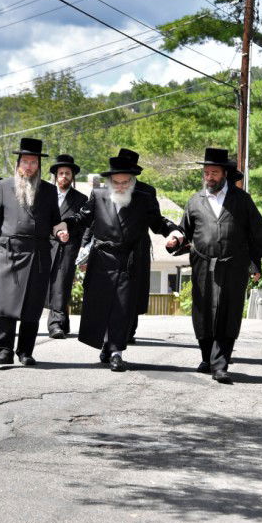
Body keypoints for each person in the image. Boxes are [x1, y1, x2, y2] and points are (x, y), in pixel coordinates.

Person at [61, 153, 181, 371]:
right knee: (101, 306)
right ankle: (105, 344)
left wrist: (173, 232)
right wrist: (63, 226)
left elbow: (158, 222)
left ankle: (116, 352)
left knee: (122, 307)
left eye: (125, 182)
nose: (121, 186)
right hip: (102, 259)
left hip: (129, 260)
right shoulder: (98, 195)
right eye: (116, 182)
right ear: (109, 181)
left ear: (133, 181)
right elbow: (81, 218)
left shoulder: (143, 198)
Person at [173, 148, 262, 384]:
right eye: (206, 172)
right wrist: (175, 240)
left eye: (214, 172)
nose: (209, 177)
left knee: (228, 313)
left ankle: (220, 364)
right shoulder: (194, 201)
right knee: (202, 313)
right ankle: (207, 357)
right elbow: (184, 231)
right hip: (202, 265)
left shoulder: (241, 200)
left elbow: (259, 231)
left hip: (233, 265)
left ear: (224, 174)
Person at [0, 138, 67, 366]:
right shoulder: (4, 186)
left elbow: (56, 221)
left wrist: (60, 231)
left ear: (38, 165)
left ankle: (25, 351)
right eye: (25, 161)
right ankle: (3, 350)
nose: (29, 166)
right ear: (18, 164)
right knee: (4, 304)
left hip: (38, 253)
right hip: (8, 252)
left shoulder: (48, 190)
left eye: (33, 162)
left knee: (31, 306)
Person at [115, 148, 155, 345]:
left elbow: (156, 220)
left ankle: (130, 329)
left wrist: (171, 231)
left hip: (138, 247)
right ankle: (113, 335)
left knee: (135, 289)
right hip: (113, 249)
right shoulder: (108, 190)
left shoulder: (147, 192)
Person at [45, 154, 87, 339]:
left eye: (67, 173)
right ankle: (63, 322)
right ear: (56, 175)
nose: (64, 176)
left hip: (69, 247)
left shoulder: (81, 199)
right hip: (46, 246)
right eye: (61, 173)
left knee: (61, 285)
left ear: (72, 176)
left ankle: (55, 325)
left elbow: (86, 226)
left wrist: (83, 249)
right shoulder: (45, 195)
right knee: (47, 285)